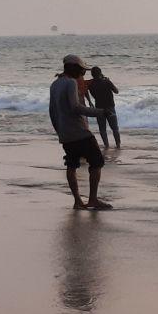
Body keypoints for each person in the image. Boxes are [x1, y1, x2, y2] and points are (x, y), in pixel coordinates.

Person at [49, 56, 111, 209]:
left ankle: (77, 201)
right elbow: (75, 107)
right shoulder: (71, 83)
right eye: (82, 70)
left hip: (65, 134)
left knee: (71, 165)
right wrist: (100, 112)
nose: (83, 74)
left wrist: (59, 131)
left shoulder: (54, 84)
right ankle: (93, 199)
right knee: (97, 162)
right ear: (75, 68)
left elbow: (52, 111)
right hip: (80, 132)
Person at [86, 65, 121, 150]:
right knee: (115, 128)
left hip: (99, 108)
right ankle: (118, 145)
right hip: (110, 107)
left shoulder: (90, 84)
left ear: (92, 74)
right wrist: (108, 80)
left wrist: (89, 101)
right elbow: (116, 91)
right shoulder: (106, 82)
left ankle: (106, 145)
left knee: (102, 129)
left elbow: (84, 90)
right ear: (100, 73)